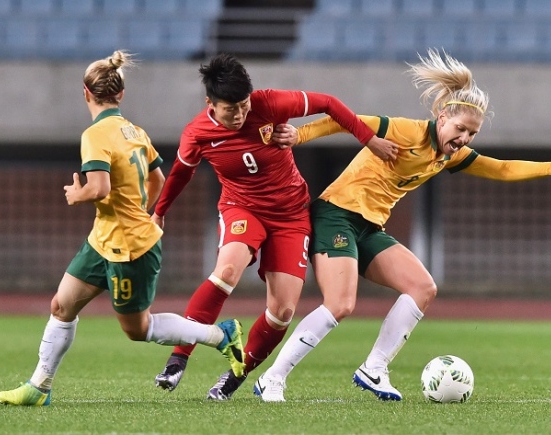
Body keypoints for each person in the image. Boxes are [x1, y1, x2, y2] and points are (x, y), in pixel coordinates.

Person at [253, 48, 551, 402]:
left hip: (369, 227)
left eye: (471, 134)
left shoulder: (449, 155)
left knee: (422, 287)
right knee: (340, 303)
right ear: (443, 117)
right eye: (460, 129)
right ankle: (273, 378)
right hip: (336, 214)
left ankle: (374, 368)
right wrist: (300, 136)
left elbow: (501, 168)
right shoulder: (403, 130)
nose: (464, 139)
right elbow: (342, 120)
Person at [0, 50, 245, 406]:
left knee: (137, 329)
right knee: (61, 306)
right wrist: (138, 209)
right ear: (120, 94)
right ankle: (40, 387)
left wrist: (76, 195)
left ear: (85, 93)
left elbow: (99, 188)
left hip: (130, 245)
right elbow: (158, 177)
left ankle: (220, 334)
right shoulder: (134, 130)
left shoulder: (95, 134)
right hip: (104, 238)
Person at [151, 53, 398, 400]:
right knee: (227, 271)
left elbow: (328, 103)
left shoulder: (269, 104)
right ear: (210, 103)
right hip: (242, 209)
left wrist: (369, 140)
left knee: (282, 312)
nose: (239, 114)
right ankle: (178, 359)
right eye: (229, 109)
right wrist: (159, 211)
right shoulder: (197, 133)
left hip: (290, 216)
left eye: (243, 106)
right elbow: (181, 173)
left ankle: (234, 377)